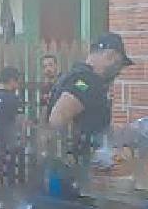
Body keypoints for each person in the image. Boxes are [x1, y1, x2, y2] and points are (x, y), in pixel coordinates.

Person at [47, 33, 133, 162]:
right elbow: (57, 118)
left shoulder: (78, 76)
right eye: (118, 64)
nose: (118, 71)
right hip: (78, 165)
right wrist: (70, 157)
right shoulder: (86, 81)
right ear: (110, 55)